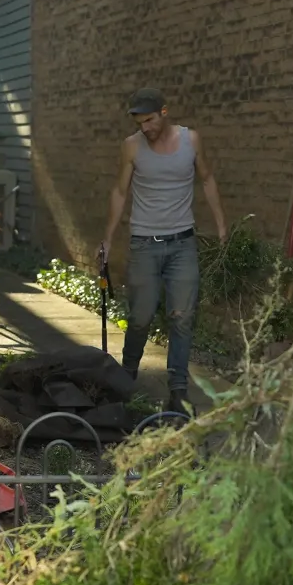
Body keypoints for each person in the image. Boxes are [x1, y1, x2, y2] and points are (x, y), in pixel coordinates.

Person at [97, 88, 228, 414]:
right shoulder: (131, 147)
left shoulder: (191, 141)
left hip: (182, 243)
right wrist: (108, 239)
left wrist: (222, 226)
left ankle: (178, 393)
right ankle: (127, 379)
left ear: (165, 112)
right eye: (140, 123)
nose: (145, 128)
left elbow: (208, 180)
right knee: (140, 317)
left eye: (150, 120)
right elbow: (119, 191)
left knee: (181, 318)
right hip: (144, 244)